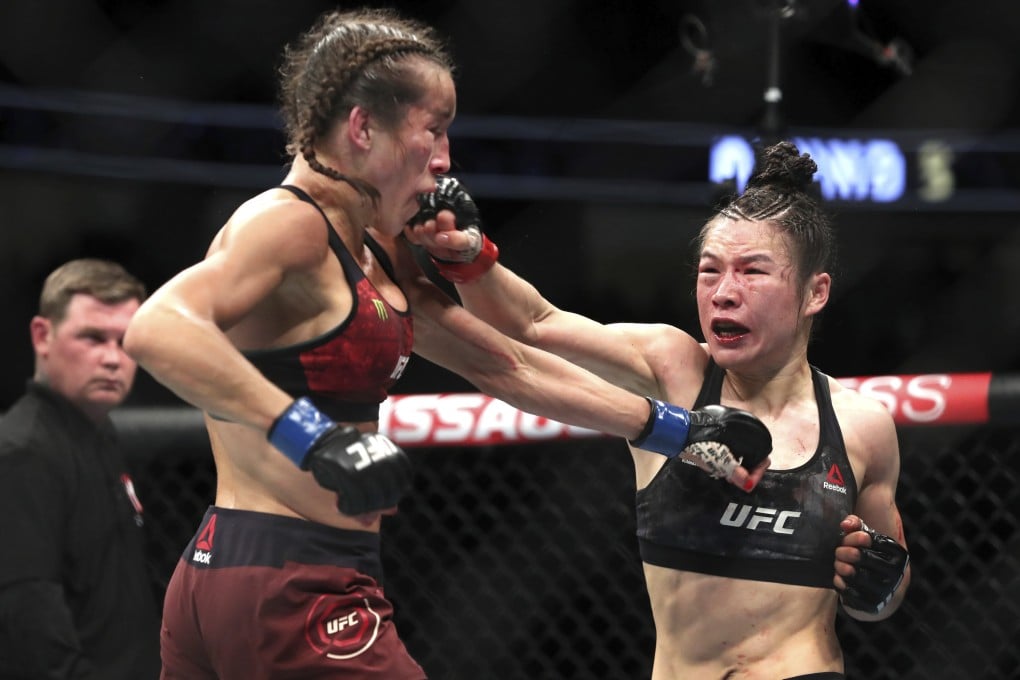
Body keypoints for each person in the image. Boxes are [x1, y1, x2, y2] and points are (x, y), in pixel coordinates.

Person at [121, 8, 772, 679]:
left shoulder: (377, 253)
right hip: (292, 584)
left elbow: (508, 362)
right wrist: (309, 435)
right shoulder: (287, 224)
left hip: (239, 575)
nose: (444, 159)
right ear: (362, 128)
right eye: (432, 130)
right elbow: (158, 327)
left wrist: (676, 430)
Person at [408, 141, 911, 679]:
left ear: (815, 293)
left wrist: (878, 580)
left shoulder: (862, 426)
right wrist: (465, 253)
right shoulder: (674, 371)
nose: (723, 293)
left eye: (752, 272)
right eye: (710, 271)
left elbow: (880, 594)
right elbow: (532, 323)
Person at [0, 258, 161, 679]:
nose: (113, 358)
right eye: (93, 338)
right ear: (43, 336)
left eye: (125, 341)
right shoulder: (21, 452)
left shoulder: (98, 434)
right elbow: (26, 618)